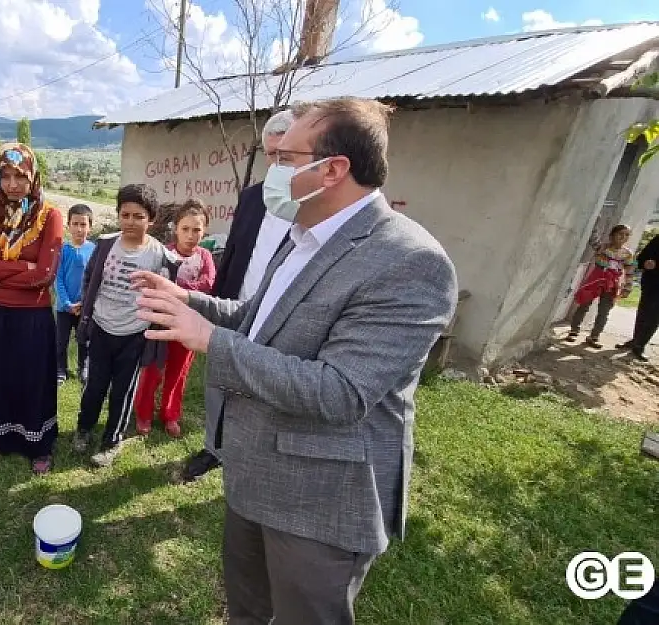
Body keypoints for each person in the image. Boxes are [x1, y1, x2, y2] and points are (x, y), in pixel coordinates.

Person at [133, 97, 458, 624]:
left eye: (285, 159)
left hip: (321, 499)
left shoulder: (410, 261)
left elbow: (341, 392)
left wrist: (211, 340)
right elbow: (258, 319)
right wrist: (188, 300)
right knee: (248, 610)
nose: (272, 173)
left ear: (332, 170)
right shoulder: (302, 234)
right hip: (255, 470)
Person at [180, 109, 296, 483]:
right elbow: (232, 256)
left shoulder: (314, 207)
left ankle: (256, 458)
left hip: (283, 321)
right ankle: (214, 448)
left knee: (267, 393)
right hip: (236, 310)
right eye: (271, 155)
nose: (277, 165)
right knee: (220, 384)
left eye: (287, 155)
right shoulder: (253, 198)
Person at [0, 143, 63, 474]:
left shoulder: (50, 216)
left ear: (33, 177)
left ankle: (38, 445)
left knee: (30, 378)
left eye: (20, 176)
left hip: (32, 317)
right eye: (5, 176)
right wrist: (23, 268)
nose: (12, 184)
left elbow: (45, 275)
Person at [74, 183, 179, 468]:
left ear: (151, 219)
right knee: (94, 385)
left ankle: (112, 440)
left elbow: (169, 292)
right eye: (125, 215)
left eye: (138, 216)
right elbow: (89, 279)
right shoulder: (106, 245)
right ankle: (84, 429)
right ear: (119, 215)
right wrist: (88, 311)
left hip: (135, 334)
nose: (131, 222)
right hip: (101, 328)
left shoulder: (159, 255)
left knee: (122, 390)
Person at [134, 199, 215, 438]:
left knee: (178, 372)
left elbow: (208, 285)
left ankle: (170, 415)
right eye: (185, 229)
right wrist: (188, 291)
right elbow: (157, 284)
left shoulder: (205, 257)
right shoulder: (164, 253)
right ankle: (143, 413)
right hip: (160, 323)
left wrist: (176, 287)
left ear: (205, 230)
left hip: (189, 325)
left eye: (197, 230)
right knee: (152, 370)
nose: (191, 235)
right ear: (175, 229)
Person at [566, 224, 637, 348]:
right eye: (620, 233)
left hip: (611, 284)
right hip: (596, 280)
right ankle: (574, 330)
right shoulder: (602, 248)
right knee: (584, 305)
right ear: (612, 235)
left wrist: (627, 288)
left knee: (604, 311)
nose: (623, 237)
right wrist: (596, 221)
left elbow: (630, 272)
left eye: (627, 235)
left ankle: (594, 336)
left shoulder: (628, 254)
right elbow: (593, 239)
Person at [55, 203, 94, 384]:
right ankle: (60, 369)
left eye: (83, 224)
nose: (79, 229)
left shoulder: (94, 251)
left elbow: (94, 281)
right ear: (68, 225)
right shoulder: (62, 250)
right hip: (65, 308)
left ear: (90, 227)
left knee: (83, 340)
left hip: (84, 307)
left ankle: (83, 368)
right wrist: (67, 303)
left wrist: (84, 303)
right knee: (61, 341)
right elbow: (59, 279)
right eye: (75, 224)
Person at [617, 233, 658, 361]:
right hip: (651, 283)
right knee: (643, 313)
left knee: (654, 317)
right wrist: (646, 263)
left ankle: (640, 346)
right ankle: (635, 341)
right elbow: (642, 258)